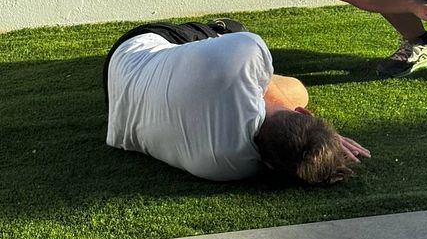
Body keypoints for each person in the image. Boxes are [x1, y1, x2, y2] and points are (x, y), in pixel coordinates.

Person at [104, 18, 369, 185]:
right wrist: (316, 147)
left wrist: (322, 137)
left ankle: (219, 27)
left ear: (304, 114)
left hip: (135, 50)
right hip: (114, 94)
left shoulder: (248, 50)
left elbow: (273, 96)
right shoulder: (227, 167)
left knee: (238, 33)